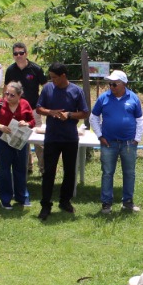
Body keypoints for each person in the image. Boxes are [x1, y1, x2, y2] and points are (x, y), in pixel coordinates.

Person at [36, 63, 88, 219]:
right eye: (51, 77)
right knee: (48, 172)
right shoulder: (47, 89)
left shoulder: (76, 91)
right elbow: (39, 108)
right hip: (52, 137)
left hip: (70, 138)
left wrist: (69, 115)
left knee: (69, 171)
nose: (52, 80)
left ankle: (65, 201)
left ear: (63, 76)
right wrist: (51, 112)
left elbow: (84, 113)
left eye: (54, 77)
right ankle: (46, 205)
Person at [90, 69, 143, 214]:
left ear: (124, 84)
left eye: (115, 84)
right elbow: (93, 117)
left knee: (129, 173)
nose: (112, 87)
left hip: (129, 143)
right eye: (110, 84)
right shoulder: (103, 98)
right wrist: (100, 136)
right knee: (107, 173)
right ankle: (106, 203)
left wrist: (137, 139)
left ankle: (128, 202)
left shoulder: (133, 98)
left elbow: (140, 120)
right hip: (108, 143)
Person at [0, 81, 36, 209]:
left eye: (12, 95)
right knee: (5, 170)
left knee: (20, 169)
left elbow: (32, 121)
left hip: (19, 140)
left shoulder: (25, 104)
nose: (8, 98)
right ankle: (5, 199)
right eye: (7, 94)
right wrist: (0, 126)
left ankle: (22, 197)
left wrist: (26, 123)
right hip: (3, 141)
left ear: (19, 95)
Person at [4, 42, 45, 109]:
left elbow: (46, 87)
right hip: (15, 109)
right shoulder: (10, 70)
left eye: (21, 53)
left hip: (33, 109)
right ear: (13, 56)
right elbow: (5, 89)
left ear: (26, 54)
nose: (18, 55)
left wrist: (41, 101)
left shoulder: (36, 69)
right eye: (16, 54)